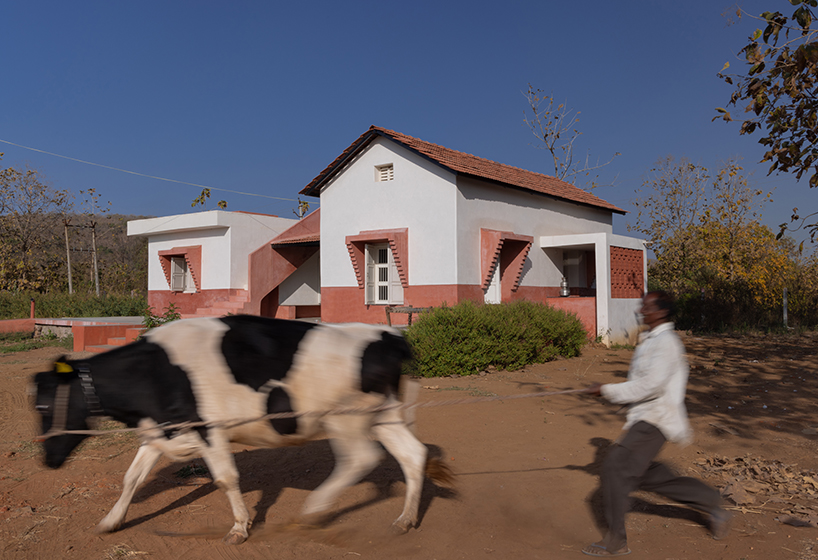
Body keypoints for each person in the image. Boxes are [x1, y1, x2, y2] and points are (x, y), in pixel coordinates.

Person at [580, 290, 730, 557]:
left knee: (615, 466)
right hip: (645, 417)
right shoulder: (649, 340)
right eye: (642, 305)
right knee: (648, 476)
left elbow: (651, 386)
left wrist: (606, 390)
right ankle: (712, 502)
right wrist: (607, 394)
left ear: (661, 312)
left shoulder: (667, 343)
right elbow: (641, 385)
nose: (641, 310)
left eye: (647, 307)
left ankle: (617, 541)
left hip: (657, 418)